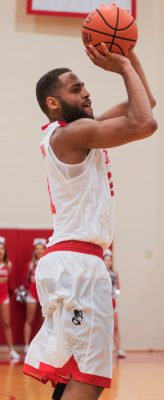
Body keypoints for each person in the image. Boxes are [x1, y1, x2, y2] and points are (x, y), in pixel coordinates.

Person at [23, 44, 157, 400]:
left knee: (74, 373)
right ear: (53, 102)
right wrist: (123, 67)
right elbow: (145, 123)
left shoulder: (79, 131)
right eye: (75, 88)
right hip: (78, 266)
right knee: (88, 378)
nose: (86, 92)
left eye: (84, 85)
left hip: (72, 264)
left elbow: (145, 104)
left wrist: (130, 56)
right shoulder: (69, 135)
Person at [23, 238, 46, 354]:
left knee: (45, 320)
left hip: (44, 294)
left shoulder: (48, 263)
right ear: (35, 251)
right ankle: (26, 345)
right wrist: (31, 287)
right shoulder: (30, 264)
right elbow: (25, 281)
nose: (40, 251)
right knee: (29, 319)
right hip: (32, 293)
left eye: (42, 249)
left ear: (45, 250)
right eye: (37, 249)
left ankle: (44, 345)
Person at [0, 236, 20, 360]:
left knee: (7, 323)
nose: (0, 251)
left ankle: (11, 350)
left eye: (2, 248)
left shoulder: (8, 264)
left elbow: (9, 282)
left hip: (4, 296)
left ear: (5, 251)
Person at [104, 249, 125, 359]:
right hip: (102, 305)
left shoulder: (114, 274)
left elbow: (118, 289)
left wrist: (115, 294)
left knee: (115, 327)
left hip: (112, 304)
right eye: (105, 260)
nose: (108, 262)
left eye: (109, 260)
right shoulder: (100, 273)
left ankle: (119, 349)